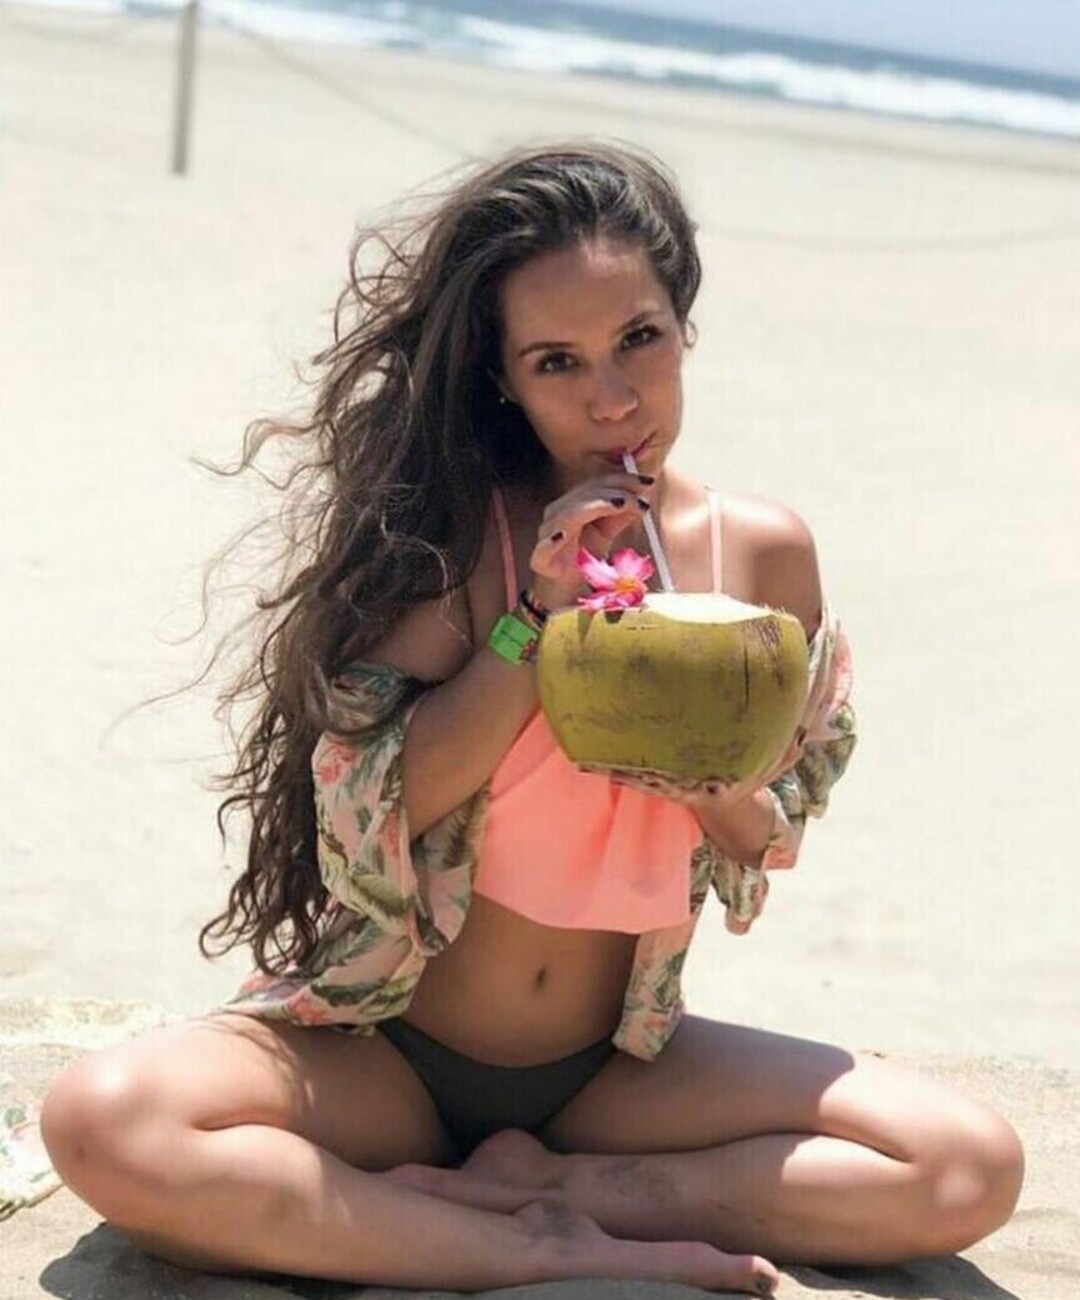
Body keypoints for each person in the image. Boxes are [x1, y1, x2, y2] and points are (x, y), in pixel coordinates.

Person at [39, 142, 1023, 1296]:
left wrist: (714, 788)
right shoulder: (462, 543)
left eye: (638, 339)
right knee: (101, 1121)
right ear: (504, 379)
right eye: (558, 362)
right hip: (393, 1052)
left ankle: (561, 1196)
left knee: (967, 1166)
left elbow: (771, 835)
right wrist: (534, 618)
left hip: (613, 1074)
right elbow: (374, 803)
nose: (612, 398)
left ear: (685, 324)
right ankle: (524, 1245)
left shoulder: (760, 554)